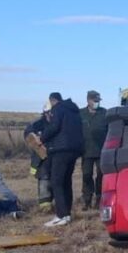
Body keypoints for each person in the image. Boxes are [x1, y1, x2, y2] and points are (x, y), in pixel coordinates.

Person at [38, 91, 83, 227]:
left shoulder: (58, 109)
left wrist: (41, 138)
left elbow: (54, 127)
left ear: (52, 100)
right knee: (66, 182)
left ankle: (61, 215)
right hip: (74, 150)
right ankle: (67, 214)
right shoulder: (74, 111)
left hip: (61, 150)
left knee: (56, 182)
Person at [79, 89, 107, 210]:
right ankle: (87, 200)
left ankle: (99, 199)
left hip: (102, 150)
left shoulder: (104, 113)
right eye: (95, 101)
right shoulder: (80, 114)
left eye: (98, 101)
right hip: (86, 151)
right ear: (88, 101)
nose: (97, 103)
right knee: (86, 175)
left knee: (101, 175)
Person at [23, 104, 54, 213]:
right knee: (44, 180)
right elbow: (28, 136)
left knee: (56, 181)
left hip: (56, 156)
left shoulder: (59, 122)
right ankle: (45, 207)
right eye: (49, 112)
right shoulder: (37, 125)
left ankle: (54, 203)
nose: (51, 114)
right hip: (42, 158)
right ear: (45, 113)